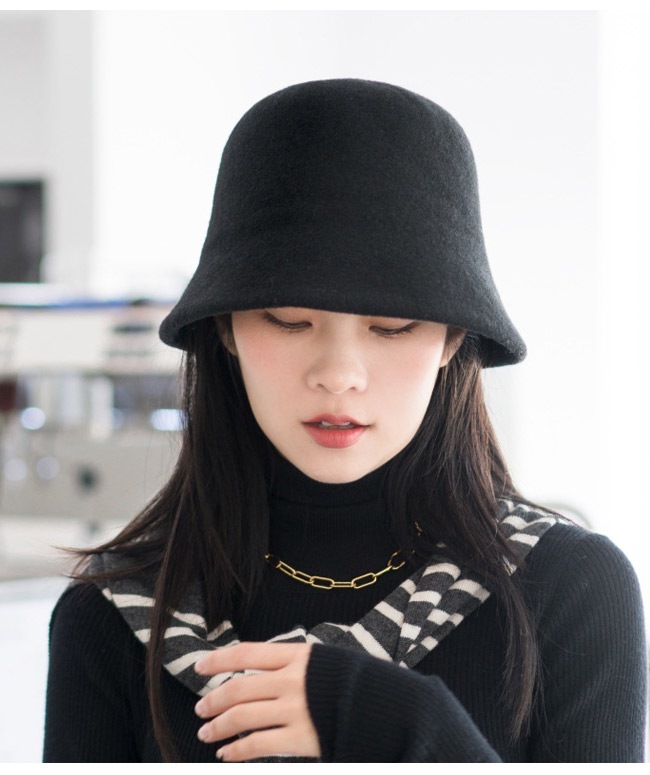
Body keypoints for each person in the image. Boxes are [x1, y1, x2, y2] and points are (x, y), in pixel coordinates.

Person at [43, 79, 646, 763]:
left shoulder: (572, 589)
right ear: (226, 328)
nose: (338, 373)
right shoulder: (113, 615)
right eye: (288, 320)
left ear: (453, 339)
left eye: (391, 326)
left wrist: (408, 724)